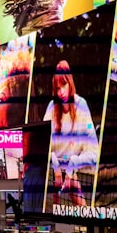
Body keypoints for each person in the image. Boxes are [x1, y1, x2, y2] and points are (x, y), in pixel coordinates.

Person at [44, 63, 99, 206]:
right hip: (50, 170)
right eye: (57, 88)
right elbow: (41, 146)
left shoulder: (82, 106)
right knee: (51, 210)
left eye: (64, 85)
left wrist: (72, 165)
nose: (61, 92)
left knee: (84, 211)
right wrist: (55, 165)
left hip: (70, 169)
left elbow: (94, 153)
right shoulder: (51, 108)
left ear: (70, 82)